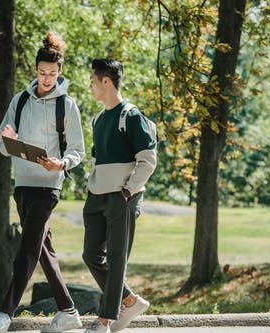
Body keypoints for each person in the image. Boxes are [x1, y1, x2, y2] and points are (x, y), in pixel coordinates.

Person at [0, 32, 85, 333]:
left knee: (27, 249)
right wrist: (8, 140)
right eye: (42, 73)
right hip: (23, 184)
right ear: (35, 70)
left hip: (49, 185)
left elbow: (77, 150)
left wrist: (61, 163)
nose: (47, 78)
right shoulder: (20, 100)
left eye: (52, 74)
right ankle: (68, 311)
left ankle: (5, 313)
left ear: (60, 72)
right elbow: (2, 144)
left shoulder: (66, 105)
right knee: (41, 249)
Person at [82, 59, 157, 333]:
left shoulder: (131, 115)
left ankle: (104, 320)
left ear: (106, 82)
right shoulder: (99, 119)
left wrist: (127, 191)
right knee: (90, 254)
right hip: (96, 197)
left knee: (116, 259)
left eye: (93, 81)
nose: (90, 86)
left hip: (122, 198)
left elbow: (148, 160)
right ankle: (130, 300)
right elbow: (99, 161)